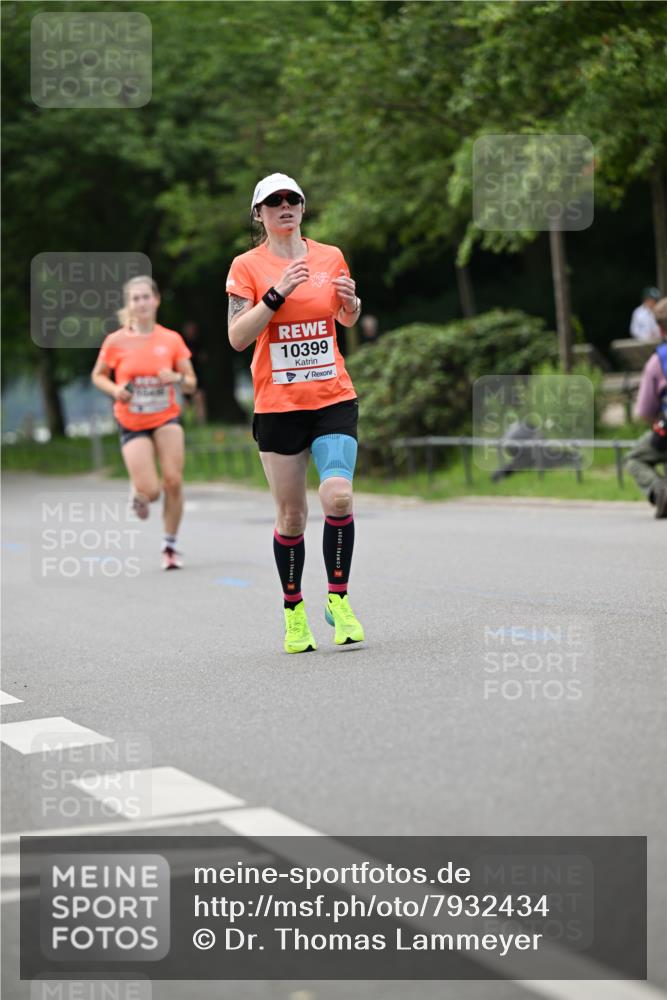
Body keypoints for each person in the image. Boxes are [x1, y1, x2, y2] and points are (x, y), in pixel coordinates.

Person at [226, 172, 365, 653]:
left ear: (303, 208)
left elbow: (344, 318)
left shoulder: (330, 257)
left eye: (293, 199)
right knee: (291, 517)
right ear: (259, 214)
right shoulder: (247, 266)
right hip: (279, 405)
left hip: (332, 398)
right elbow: (238, 336)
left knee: (339, 497)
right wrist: (276, 292)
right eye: (273, 201)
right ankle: (294, 612)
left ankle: (339, 600)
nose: (285, 206)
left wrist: (351, 306)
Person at [91, 275, 197, 567]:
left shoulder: (171, 339)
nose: (141, 303)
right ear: (129, 304)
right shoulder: (116, 341)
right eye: (135, 298)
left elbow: (190, 382)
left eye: (145, 296)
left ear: (156, 299)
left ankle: (169, 547)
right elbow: (98, 375)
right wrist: (115, 390)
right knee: (151, 492)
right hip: (132, 421)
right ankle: (138, 493)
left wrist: (175, 378)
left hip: (166, 417)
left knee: (174, 481)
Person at [625, 296, 667, 518]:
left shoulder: (658, 361)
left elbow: (644, 412)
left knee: (635, 458)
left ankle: (660, 490)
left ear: (659, 329)